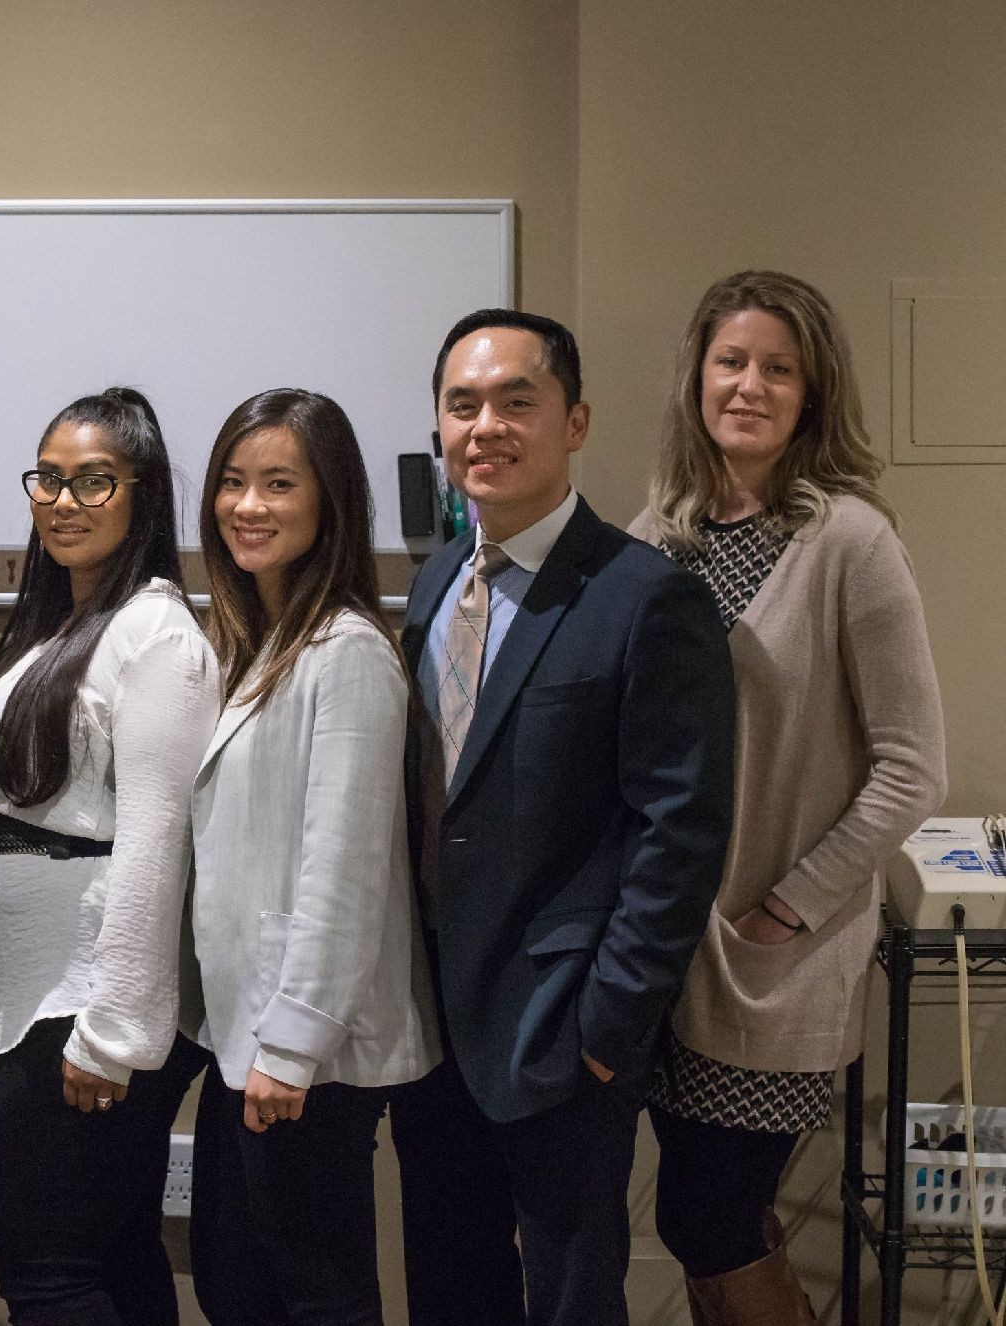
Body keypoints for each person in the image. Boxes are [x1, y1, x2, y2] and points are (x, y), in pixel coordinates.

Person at [387, 309, 737, 1326]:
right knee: (450, 1292)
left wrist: (608, 1026)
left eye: (516, 401)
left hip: (563, 1030)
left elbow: (680, 834)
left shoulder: (645, 597)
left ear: (574, 422)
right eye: (461, 405)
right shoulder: (435, 583)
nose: (484, 427)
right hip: (433, 1027)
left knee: (572, 1302)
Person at [630, 271, 946, 1324]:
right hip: (660, 952)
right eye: (731, 362)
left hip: (770, 958)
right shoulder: (656, 538)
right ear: (697, 377)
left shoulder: (849, 541)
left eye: (778, 369)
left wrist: (790, 906)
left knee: (709, 1216)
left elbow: (912, 765)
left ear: (812, 394)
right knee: (705, 1222)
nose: (750, 386)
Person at [0, 387, 220, 1326]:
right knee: (109, 1255)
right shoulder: (62, 623)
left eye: (94, 482)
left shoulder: (158, 636)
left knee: (45, 1266)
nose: (63, 502)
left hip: (83, 1005)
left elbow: (156, 843)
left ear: (143, 495)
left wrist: (113, 1033)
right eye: (49, 480)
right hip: (35, 996)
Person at [185, 389, 440, 1325]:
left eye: (279, 484)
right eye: (232, 482)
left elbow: (346, 870)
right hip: (248, 1031)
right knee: (237, 1283)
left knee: (316, 1295)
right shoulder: (255, 645)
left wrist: (293, 1048)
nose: (247, 505)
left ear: (330, 501)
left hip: (308, 1047)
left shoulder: (348, 651)